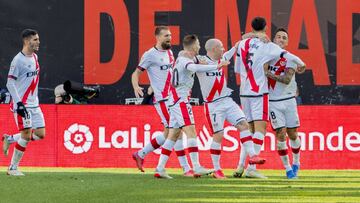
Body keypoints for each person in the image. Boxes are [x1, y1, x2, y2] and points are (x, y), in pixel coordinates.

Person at [154, 34, 230, 179]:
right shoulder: (184, 60)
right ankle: (196, 166)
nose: (200, 47)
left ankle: (160, 168)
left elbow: (197, 61)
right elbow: (193, 67)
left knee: (173, 135)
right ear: (194, 46)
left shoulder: (183, 57)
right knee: (191, 132)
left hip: (174, 100)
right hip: (180, 101)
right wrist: (217, 65)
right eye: (198, 44)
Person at [196, 38, 265, 179]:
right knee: (219, 135)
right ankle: (217, 169)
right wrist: (195, 61)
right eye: (221, 47)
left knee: (244, 125)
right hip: (213, 105)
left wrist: (249, 38)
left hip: (227, 101)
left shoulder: (223, 58)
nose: (223, 49)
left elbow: (234, 47)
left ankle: (253, 156)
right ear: (214, 48)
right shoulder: (200, 60)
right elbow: (186, 60)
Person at [131, 26, 193, 176]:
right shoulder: (150, 55)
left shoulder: (170, 53)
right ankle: (186, 169)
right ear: (157, 37)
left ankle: (140, 154)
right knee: (176, 132)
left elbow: (166, 75)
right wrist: (136, 86)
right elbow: (136, 73)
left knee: (169, 134)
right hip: (163, 100)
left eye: (170, 35)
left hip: (173, 98)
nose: (169, 38)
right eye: (166, 36)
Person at [234, 17, 288, 178]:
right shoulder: (267, 45)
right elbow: (285, 55)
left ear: (251, 28)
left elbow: (237, 69)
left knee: (250, 132)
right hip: (259, 92)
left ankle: (239, 166)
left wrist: (251, 36)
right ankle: (251, 169)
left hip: (244, 92)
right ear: (265, 28)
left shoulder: (242, 44)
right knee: (260, 130)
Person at [2, 29, 45, 176]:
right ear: (27, 41)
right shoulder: (18, 60)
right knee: (26, 136)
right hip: (23, 104)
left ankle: (10, 138)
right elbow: (10, 83)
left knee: (40, 134)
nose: (38, 42)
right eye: (35, 40)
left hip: (35, 104)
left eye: (38, 39)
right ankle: (12, 168)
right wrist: (19, 103)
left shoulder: (35, 57)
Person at [265, 28, 306, 179]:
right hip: (273, 102)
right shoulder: (266, 57)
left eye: (284, 38)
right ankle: (287, 168)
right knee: (280, 134)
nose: (281, 39)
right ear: (273, 40)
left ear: (287, 42)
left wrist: (268, 74)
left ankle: (296, 162)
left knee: (293, 134)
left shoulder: (291, 59)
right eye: (278, 37)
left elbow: (287, 79)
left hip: (289, 101)